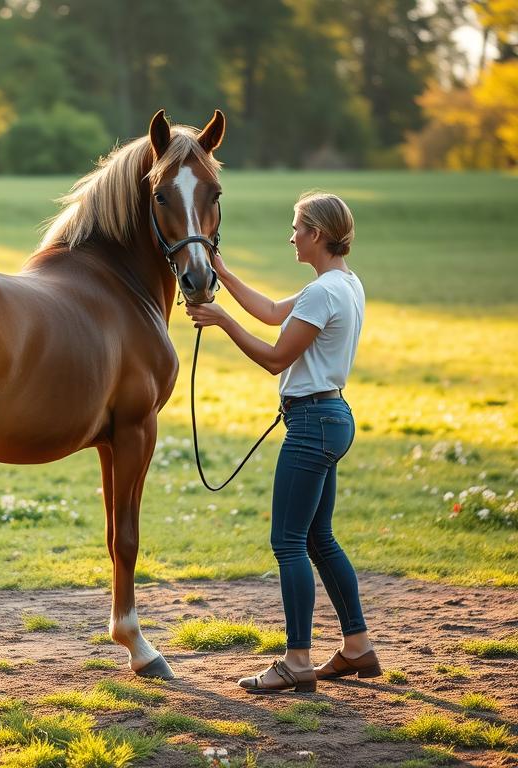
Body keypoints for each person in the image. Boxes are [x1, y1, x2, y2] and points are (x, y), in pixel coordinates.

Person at [185, 191, 380, 693]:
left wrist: (224, 321)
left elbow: (275, 357)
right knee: (319, 537)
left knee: (289, 542)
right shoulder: (344, 284)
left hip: (313, 422)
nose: (291, 236)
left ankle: (297, 660)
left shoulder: (322, 293)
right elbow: (272, 311)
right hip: (331, 416)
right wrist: (222, 274)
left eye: (296, 227)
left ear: (316, 234)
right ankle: (357, 647)